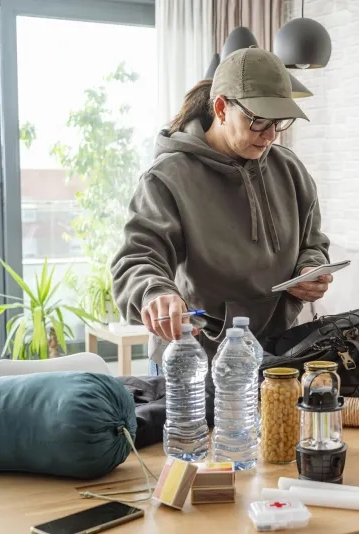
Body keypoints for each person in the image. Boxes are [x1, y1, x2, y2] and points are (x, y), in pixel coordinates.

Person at [110, 47, 332, 389]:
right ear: (221, 109)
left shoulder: (289, 169)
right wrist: (155, 293)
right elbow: (137, 258)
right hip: (197, 357)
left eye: (279, 122)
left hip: (279, 352)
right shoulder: (168, 177)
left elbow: (312, 243)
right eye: (258, 120)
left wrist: (310, 270)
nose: (270, 135)